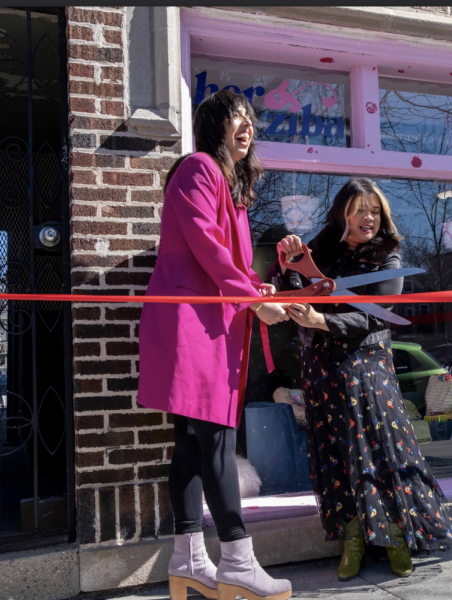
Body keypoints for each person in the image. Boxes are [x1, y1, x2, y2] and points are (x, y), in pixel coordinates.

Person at [137, 90, 293, 600]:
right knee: (216, 439)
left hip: (213, 325)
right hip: (194, 326)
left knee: (190, 441)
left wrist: (257, 287)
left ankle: (188, 560)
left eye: (250, 119)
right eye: (235, 118)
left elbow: (231, 262)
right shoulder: (199, 169)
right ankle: (238, 560)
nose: (245, 126)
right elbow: (205, 244)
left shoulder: (233, 190)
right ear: (212, 125)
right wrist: (252, 299)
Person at [275, 179, 452, 581]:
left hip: (367, 367)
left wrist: (324, 320)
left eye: (375, 210)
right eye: (360, 209)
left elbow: (376, 315)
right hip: (322, 369)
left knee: (382, 453)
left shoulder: (388, 257)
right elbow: (295, 295)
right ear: (342, 213)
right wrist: (286, 268)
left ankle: (396, 536)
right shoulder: (321, 253)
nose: (369, 218)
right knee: (336, 455)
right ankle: (353, 540)